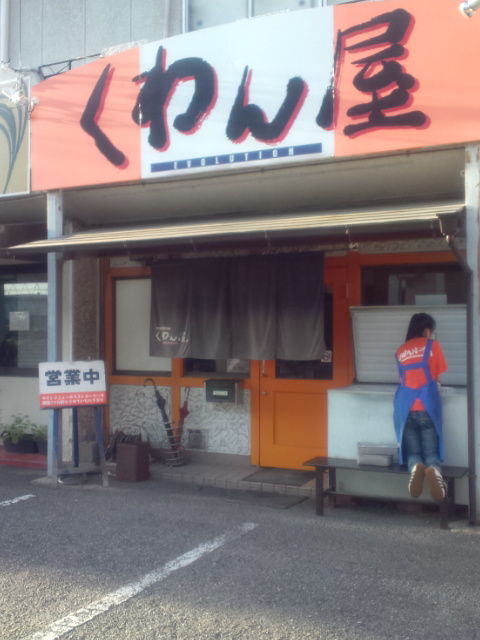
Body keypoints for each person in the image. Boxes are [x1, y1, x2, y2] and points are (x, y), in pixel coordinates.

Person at [393, 313, 448, 501]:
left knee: (413, 452)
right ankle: (434, 470)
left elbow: (403, 380)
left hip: (405, 408)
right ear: (426, 331)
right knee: (431, 452)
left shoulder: (400, 351)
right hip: (427, 406)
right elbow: (437, 377)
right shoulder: (433, 346)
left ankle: (415, 467)